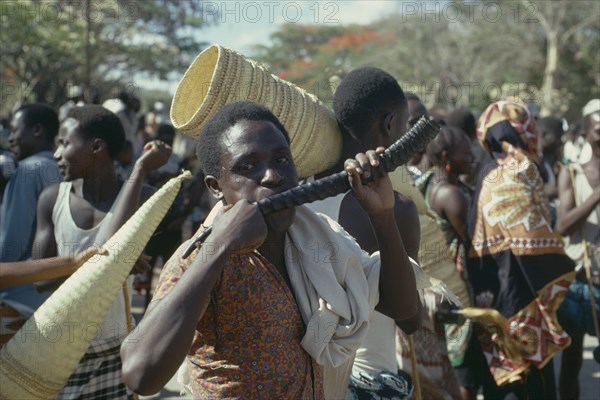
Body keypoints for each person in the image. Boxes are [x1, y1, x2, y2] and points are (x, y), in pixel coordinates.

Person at [120, 101, 422, 398]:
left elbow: (405, 311)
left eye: (281, 161)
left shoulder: (319, 239)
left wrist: (382, 216)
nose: (272, 177)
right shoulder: (200, 257)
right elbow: (140, 376)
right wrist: (220, 247)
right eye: (247, 167)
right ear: (215, 187)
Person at [33, 105, 170, 399]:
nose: (56, 154)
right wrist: (110, 265)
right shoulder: (51, 200)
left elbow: (112, 249)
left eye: (64, 143)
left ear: (96, 146)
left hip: (115, 348)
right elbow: (40, 279)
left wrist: (140, 170)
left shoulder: (143, 196)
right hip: (61, 348)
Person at [307, 67, 422, 399]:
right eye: (403, 125)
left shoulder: (299, 193)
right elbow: (410, 318)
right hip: (368, 381)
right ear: (389, 125)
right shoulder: (395, 208)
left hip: (310, 380)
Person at [466, 100, 575, 399]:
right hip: (518, 289)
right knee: (531, 383)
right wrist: (564, 268)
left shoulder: (487, 170)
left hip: (492, 288)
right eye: (530, 127)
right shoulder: (517, 170)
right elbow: (534, 242)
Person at [418, 126, 477, 399]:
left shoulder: (428, 182)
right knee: (464, 367)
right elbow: (473, 243)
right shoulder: (452, 194)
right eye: (466, 151)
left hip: (437, 281)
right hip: (456, 281)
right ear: (446, 156)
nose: (472, 156)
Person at [0, 104, 62, 338]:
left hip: (19, 299)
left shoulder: (27, 170)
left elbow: (11, 245)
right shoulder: (63, 167)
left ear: (37, 130)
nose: (11, 137)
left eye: (15, 130)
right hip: (53, 296)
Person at [555, 101, 600, 399]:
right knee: (571, 363)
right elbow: (563, 225)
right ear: (585, 132)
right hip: (578, 283)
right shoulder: (572, 173)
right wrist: (597, 195)